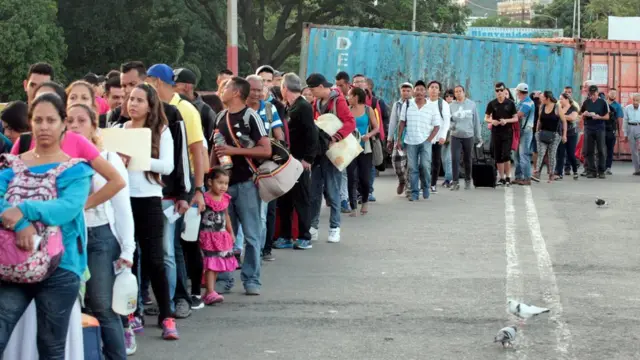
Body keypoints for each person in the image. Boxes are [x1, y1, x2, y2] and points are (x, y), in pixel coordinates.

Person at [0, 93, 94, 358]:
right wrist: (20, 224)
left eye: (51, 120)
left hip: (61, 267)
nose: (44, 126)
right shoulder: (12, 166)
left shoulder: (76, 170)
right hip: (11, 264)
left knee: (51, 346)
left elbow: (68, 207)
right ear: (30, 122)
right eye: (38, 119)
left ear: (63, 123)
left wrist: (23, 210)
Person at [66, 103, 136, 357]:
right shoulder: (59, 160)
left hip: (100, 238)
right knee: (72, 308)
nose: (74, 125)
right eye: (69, 120)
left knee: (103, 307)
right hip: (68, 239)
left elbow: (122, 207)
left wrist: (128, 249)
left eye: (81, 120)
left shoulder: (107, 158)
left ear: (94, 126)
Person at [121, 83, 178, 340]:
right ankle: (132, 313)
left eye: (139, 100)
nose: (133, 104)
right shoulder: (117, 130)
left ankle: (167, 315)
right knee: (127, 260)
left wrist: (136, 157)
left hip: (150, 200)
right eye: (130, 99)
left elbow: (167, 166)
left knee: (155, 260)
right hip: (122, 201)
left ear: (150, 105)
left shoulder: (161, 131)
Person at [210, 76, 271, 296]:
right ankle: (225, 278)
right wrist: (210, 176)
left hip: (246, 183)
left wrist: (233, 151)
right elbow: (214, 149)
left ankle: (251, 279)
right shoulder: (220, 116)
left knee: (252, 235)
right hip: (223, 185)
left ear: (236, 92)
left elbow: (266, 150)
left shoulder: (250, 116)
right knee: (225, 233)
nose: (221, 90)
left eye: (225, 87)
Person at [306, 73, 356, 243]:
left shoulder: (338, 101)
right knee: (314, 192)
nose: (311, 93)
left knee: (333, 190)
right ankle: (313, 226)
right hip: (319, 152)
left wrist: (335, 137)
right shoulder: (316, 103)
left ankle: (335, 228)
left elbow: (350, 122)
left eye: (312, 89)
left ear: (320, 87)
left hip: (334, 152)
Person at [273, 73, 317, 250]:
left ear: (285, 88)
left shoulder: (303, 106)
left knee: (302, 199)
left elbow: (311, 134)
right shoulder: (289, 107)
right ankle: (285, 236)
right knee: (285, 199)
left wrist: (308, 159)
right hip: (288, 161)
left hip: (300, 162)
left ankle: (304, 236)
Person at [396, 80, 441, 201]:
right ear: (414, 91)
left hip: (425, 142)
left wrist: (429, 140)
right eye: (417, 89)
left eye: (422, 89)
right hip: (410, 141)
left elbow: (437, 126)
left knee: (425, 166)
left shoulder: (431, 106)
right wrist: (398, 139)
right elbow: (402, 123)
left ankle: (426, 186)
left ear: (425, 91)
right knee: (413, 168)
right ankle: (415, 192)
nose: (420, 92)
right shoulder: (408, 104)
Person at [199, 167, 238, 305]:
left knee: (215, 264)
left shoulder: (225, 198)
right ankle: (210, 292)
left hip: (221, 236)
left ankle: (210, 291)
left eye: (226, 183)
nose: (223, 186)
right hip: (207, 235)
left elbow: (226, 216)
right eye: (220, 182)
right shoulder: (204, 197)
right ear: (210, 182)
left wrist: (231, 232)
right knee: (210, 264)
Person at [346, 87, 378, 216]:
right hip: (350, 148)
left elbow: (376, 128)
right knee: (351, 177)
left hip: (365, 148)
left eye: (349, 95)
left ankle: (364, 201)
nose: (348, 98)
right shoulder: (347, 110)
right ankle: (353, 206)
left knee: (364, 178)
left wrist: (368, 135)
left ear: (356, 96)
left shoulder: (368, 109)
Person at [485, 82, 518, 186]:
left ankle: (508, 176)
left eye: (501, 90)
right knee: (498, 155)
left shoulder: (510, 103)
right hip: (496, 132)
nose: (499, 92)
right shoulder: (492, 104)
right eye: (497, 90)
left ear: (505, 91)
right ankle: (502, 177)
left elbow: (515, 118)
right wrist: (492, 121)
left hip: (507, 132)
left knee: (506, 155)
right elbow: (486, 117)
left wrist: (506, 121)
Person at [448, 85, 480, 190]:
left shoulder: (471, 105)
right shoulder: (451, 106)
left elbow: (476, 122)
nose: (458, 93)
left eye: (460, 91)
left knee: (467, 159)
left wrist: (478, 136)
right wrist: (451, 127)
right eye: (456, 92)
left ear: (464, 92)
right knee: (455, 159)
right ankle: (455, 182)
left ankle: (467, 180)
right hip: (455, 136)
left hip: (468, 136)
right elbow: (448, 120)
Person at [386, 82, 414, 195]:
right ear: (400, 92)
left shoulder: (416, 103)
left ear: (412, 92)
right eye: (403, 90)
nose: (406, 93)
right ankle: (402, 181)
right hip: (399, 136)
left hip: (413, 136)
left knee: (411, 163)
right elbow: (393, 121)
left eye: (408, 90)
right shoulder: (397, 104)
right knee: (396, 161)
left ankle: (409, 188)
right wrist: (389, 138)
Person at [534, 91, 567, 183]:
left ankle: (551, 174)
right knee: (541, 153)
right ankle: (537, 172)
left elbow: (564, 121)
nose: (541, 99)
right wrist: (537, 131)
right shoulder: (542, 106)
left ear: (547, 98)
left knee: (551, 155)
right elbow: (539, 120)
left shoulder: (557, 107)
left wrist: (564, 135)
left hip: (555, 135)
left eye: (542, 97)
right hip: (543, 133)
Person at [427, 81, 452, 192]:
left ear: (439, 91)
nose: (433, 89)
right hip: (425, 138)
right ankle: (425, 183)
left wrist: (443, 136)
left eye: (436, 87)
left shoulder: (443, 104)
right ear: (428, 89)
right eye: (431, 87)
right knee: (424, 162)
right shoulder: (424, 102)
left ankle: (433, 185)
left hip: (437, 138)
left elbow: (446, 121)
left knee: (436, 161)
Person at [580, 85, 610, 178]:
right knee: (589, 150)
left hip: (599, 127)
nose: (592, 96)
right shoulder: (586, 102)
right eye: (591, 94)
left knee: (601, 149)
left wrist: (599, 117)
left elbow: (607, 116)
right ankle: (591, 170)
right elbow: (581, 114)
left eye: (594, 94)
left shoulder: (603, 102)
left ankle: (601, 171)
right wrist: (584, 114)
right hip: (589, 128)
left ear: (597, 92)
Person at [513, 83, 535, 186]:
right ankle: (518, 177)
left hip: (525, 131)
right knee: (517, 155)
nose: (516, 93)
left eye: (517, 91)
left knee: (523, 155)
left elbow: (518, 115)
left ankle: (526, 178)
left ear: (519, 92)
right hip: (520, 131)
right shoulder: (523, 102)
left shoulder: (527, 103)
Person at [555, 93, 580, 180]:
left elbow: (572, 118)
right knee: (560, 153)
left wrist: (562, 116)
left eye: (561, 99)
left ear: (567, 99)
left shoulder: (574, 108)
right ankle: (559, 172)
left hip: (572, 133)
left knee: (570, 154)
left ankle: (575, 170)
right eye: (559, 99)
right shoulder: (559, 108)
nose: (560, 100)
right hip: (561, 133)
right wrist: (564, 116)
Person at [605, 89, 623, 175]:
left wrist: (618, 131)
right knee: (600, 149)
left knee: (610, 149)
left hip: (611, 130)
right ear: (607, 93)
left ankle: (608, 167)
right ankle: (600, 166)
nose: (612, 95)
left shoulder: (618, 106)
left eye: (614, 94)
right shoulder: (603, 103)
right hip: (601, 129)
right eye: (611, 93)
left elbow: (619, 119)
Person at [623, 94, 640, 175]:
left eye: (637, 100)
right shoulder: (627, 108)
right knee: (633, 150)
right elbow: (625, 121)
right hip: (630, 128)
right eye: (634, 100)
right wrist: (625, 134)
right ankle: (637, 170)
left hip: (639, 127)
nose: (635, 102)